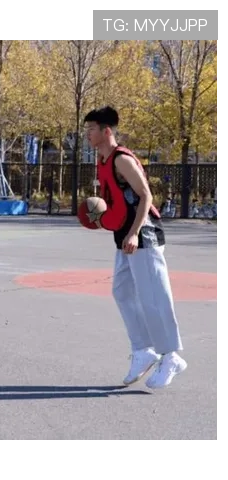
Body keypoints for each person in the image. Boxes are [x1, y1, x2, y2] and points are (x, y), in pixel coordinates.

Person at [83, 106, 186, 389]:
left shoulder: (121, 159)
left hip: (143, 235)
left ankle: (171, 356)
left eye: (91, 129)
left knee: (154, 297)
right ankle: (143, 350)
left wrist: (135, 233)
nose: (87, 134)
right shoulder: (102, 160)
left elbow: (145, 195)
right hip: (124, 236)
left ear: (106, 131)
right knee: (122, 292)